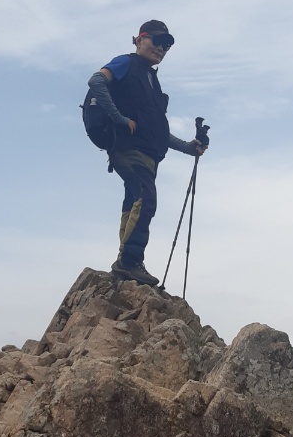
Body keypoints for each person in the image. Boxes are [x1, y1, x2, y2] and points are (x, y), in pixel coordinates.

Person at [87, 19, 206, 285]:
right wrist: (118, 118)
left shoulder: (151, 79)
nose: (162, 48)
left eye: (167, 45)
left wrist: (189, 148)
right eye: (157, 41)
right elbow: (96, 81)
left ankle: (126, 262)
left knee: (134, 201)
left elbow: (155, 131)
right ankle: (129, 262)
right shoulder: (126, 63)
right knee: (145, 198)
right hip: (128, 149)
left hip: (146, 153)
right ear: (140, 40)